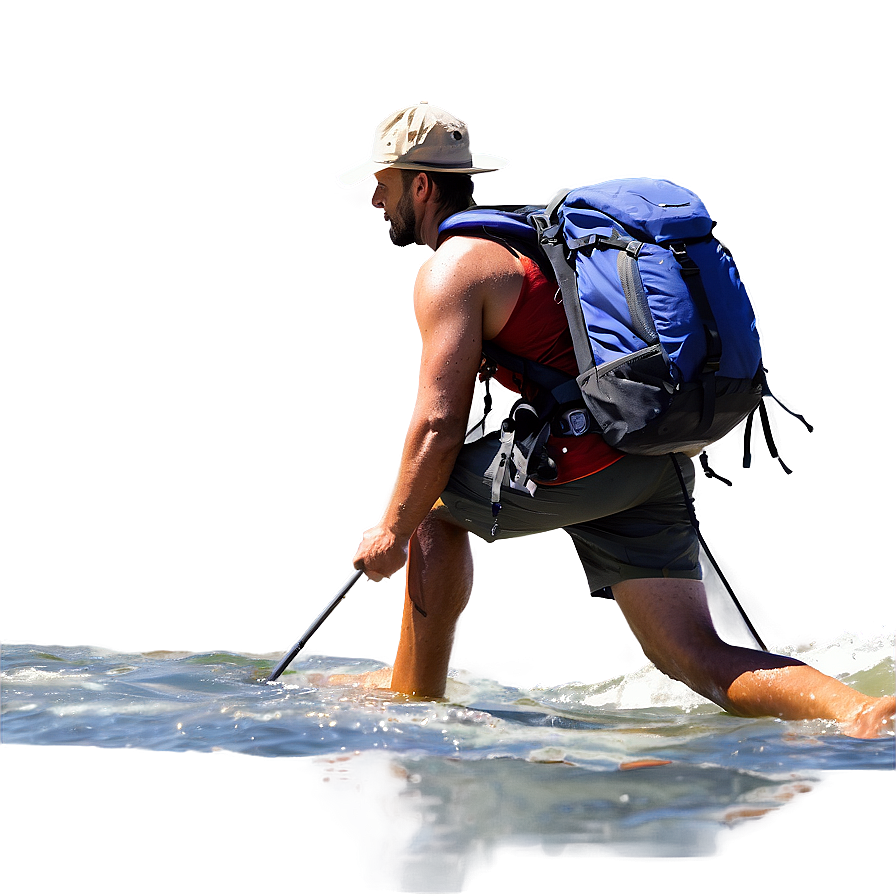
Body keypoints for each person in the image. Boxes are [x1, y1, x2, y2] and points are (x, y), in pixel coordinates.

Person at [336, 101, 894, 738]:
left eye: (381, 187)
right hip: (648, 459)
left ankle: (410, 697)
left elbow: (438, 426)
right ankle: (860, 711)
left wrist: (389, 531)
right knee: (695, 657)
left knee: (429, 509)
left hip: (586, 460)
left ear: (422, 185)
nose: (374, 203)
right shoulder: (536, 246)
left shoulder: (454, 269)